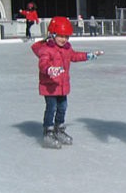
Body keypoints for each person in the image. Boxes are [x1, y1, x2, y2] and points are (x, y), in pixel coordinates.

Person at [31, 16, 104, 149]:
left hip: (62, 86)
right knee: (51, 108)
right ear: (52, 34)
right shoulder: (46, 49)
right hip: (50, 86)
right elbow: (43, 64)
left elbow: (74, 56)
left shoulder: (66, 49)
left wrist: (88, 55)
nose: (64, 39)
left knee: (62, 108)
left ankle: (59, 129)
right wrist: (49, 70)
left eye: (66, 37)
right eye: (60, 36)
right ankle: (48, 131)